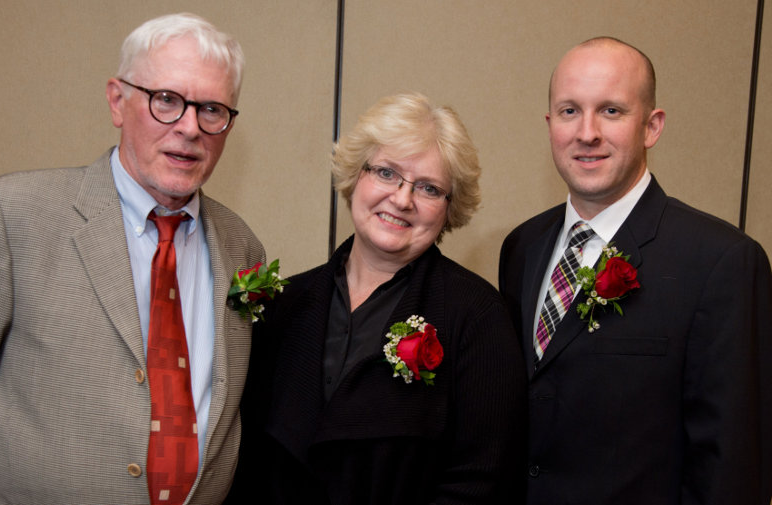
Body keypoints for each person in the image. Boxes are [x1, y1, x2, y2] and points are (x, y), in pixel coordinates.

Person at [0, 13, 265, 504]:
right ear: (117, 100)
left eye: (212, 109)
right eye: (167, 100)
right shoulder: (10, 217)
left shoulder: (242, 248)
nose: (190, 128)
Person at [499, 36, 772, 504]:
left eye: (611, 111)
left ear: (652, 125)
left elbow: (733, 468)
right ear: (549, 124)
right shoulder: (522, 247)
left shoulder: (722, 261)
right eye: (569, 111)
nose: (586, 132)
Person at [231, 93, 527, 504]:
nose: (402, 200)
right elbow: (244, 457)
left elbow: (484, 481)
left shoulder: (478, 316)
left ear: (449, 208)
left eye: (428, 188)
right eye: (386, 173)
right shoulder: (285, 304)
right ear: (356, 176)